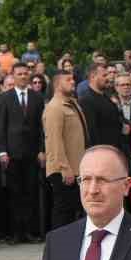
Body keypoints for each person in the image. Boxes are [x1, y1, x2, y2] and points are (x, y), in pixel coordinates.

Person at [0, 68, 44, 244]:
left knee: (30, 193)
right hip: (12, 154)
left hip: (32, 154)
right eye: (19, 74)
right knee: (15, 193)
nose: (23, 77)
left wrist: (42, 149)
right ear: (13, 76)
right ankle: (16, 233)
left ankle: (30, 232)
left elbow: (41, 127)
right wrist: (2, 151)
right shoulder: (5, 98)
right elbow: (1, 126)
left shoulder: (37, 97)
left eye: (25, 74)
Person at [42, 69, 88, 231]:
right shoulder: (55, 107)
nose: (73, 82)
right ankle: (60, 245)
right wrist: (64, 168)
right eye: (68, 80)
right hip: (65, 169)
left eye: (73, 79)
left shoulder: (72, 103)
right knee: (64, 211)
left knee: (73, 210)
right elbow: (54, 140)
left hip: (77, 166)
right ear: (57, 84)